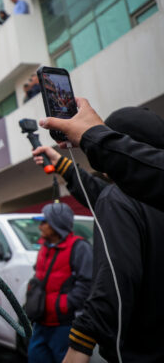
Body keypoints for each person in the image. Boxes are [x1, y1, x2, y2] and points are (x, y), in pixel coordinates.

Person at [33, 111, 164, 362]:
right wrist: (63, 165)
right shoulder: (149, 197)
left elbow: (114, 280)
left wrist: (79, 344)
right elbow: (108, 197)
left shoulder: (119, 200)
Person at [40, 99, 164, 212]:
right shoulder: (138, 197)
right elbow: (98, 192)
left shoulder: (120, 201)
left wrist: (92, 136)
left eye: (114, 138)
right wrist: (63, 165)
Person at [25, 202, 92, 363]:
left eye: (44, 222)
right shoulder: (44, 247)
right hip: (41, 323)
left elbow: (88, 284)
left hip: (65, 326)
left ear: (57, 225)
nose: (40, 227)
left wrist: (63, 305)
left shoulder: (80, 247)